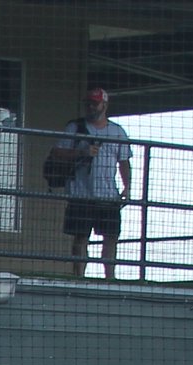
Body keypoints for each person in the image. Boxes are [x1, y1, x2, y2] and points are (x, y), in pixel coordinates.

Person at [53, 88, 132, 279]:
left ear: (104, 105)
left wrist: (127, 187)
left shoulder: (117, 131)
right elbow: (57, 153)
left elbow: (124, 162)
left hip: (108, 195)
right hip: (80, 193)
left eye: (94, 103)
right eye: (87, 103)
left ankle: (109, 279)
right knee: (80, 238)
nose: (90, 107)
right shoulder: (75, 127)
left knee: (111, 238)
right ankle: (78, 277)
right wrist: (82, 152)